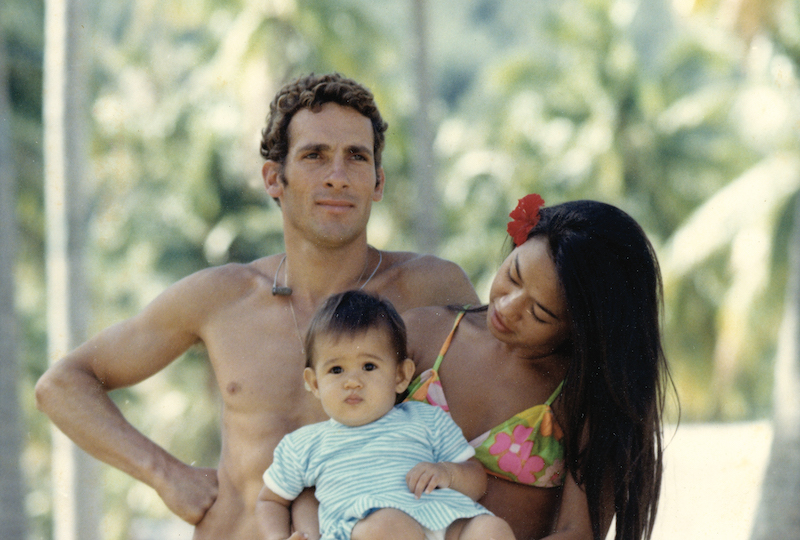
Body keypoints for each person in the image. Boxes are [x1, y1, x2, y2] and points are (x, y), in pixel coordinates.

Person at [34, 73, 479, 539]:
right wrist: (165, 474)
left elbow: (515, 410)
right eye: (314, 155)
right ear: (273, 177)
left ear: (378, 181)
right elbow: (61, 384)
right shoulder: (222, 297)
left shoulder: (431, 287)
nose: (337, 175)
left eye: (356, 157)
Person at [403, 195, 673, 540]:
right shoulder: (424, 333)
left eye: (540, 313)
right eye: (513, 276)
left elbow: (577, 533)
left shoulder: (580, 396)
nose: (508, 306)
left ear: (580, 328)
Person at [256, 290, 515, 540]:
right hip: (370, 530)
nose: (352, 382)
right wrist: (277, 536)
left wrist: (447, 472)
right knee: (388, 526)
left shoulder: (426, 419)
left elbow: (476, 479)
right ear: (314, 383)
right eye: (336, 370)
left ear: (400, 376)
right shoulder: (303, 445)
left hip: (441, 518)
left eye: (369, 366)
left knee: (491, 529)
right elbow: (269, 499)